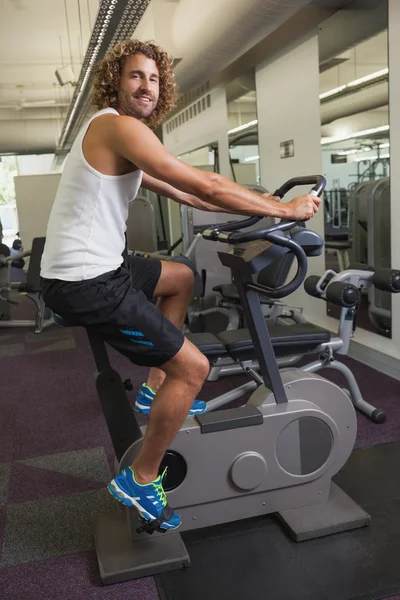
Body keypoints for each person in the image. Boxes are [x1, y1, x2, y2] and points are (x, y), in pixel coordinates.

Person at [40, 39, 321, 532]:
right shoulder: (117, 127)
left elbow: (192, 191)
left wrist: (260, 202)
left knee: (182, 276)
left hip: (100, 265)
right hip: (86, 280)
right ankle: (141, 478)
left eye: (152, 78)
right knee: (195, 368)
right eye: (135, 76)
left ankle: (154, 389)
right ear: (117, 83)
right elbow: (202, 184)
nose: (145, 86)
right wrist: (288, 210)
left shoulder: (117, 135)